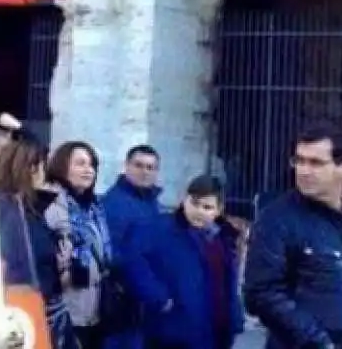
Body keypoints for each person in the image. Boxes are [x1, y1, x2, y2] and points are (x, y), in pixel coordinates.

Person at [242, 122, 342, 348]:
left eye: (316, 163)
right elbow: (262, 294)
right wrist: (318, 342)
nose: (304, 170)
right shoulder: (277, 219)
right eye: (299, 160)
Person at [122, 174, 245, 349]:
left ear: (219, 210)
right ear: (183, 200)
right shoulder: (159, 228)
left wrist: (235, 316)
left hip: (215, 332)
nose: (199, 211)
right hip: (174, 332)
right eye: (194, 203)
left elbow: (229, 283)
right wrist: (159, 298)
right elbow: (132, 261)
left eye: (207, 207)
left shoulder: (223, 238)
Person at [0, 131, 79, 349]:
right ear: (30, 168)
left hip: (38, 312)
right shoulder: (9, 213)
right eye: (42, 167)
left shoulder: (28, 210)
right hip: (22, 318)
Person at [45, 141, 114, 349]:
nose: (88, 170)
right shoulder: (53, 204)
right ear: (62, 166)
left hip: (93, 307)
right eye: (80, 164)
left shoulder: (93, 206)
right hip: (66, 310)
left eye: (92, 165)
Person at [101, 145, 163, 349]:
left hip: (145, 303)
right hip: (123, 302)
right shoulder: (115, 203)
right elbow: (114, 255)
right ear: (126, 166)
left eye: (150, 167)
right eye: (138, 165)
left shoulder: (151, 203)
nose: (145, 171)